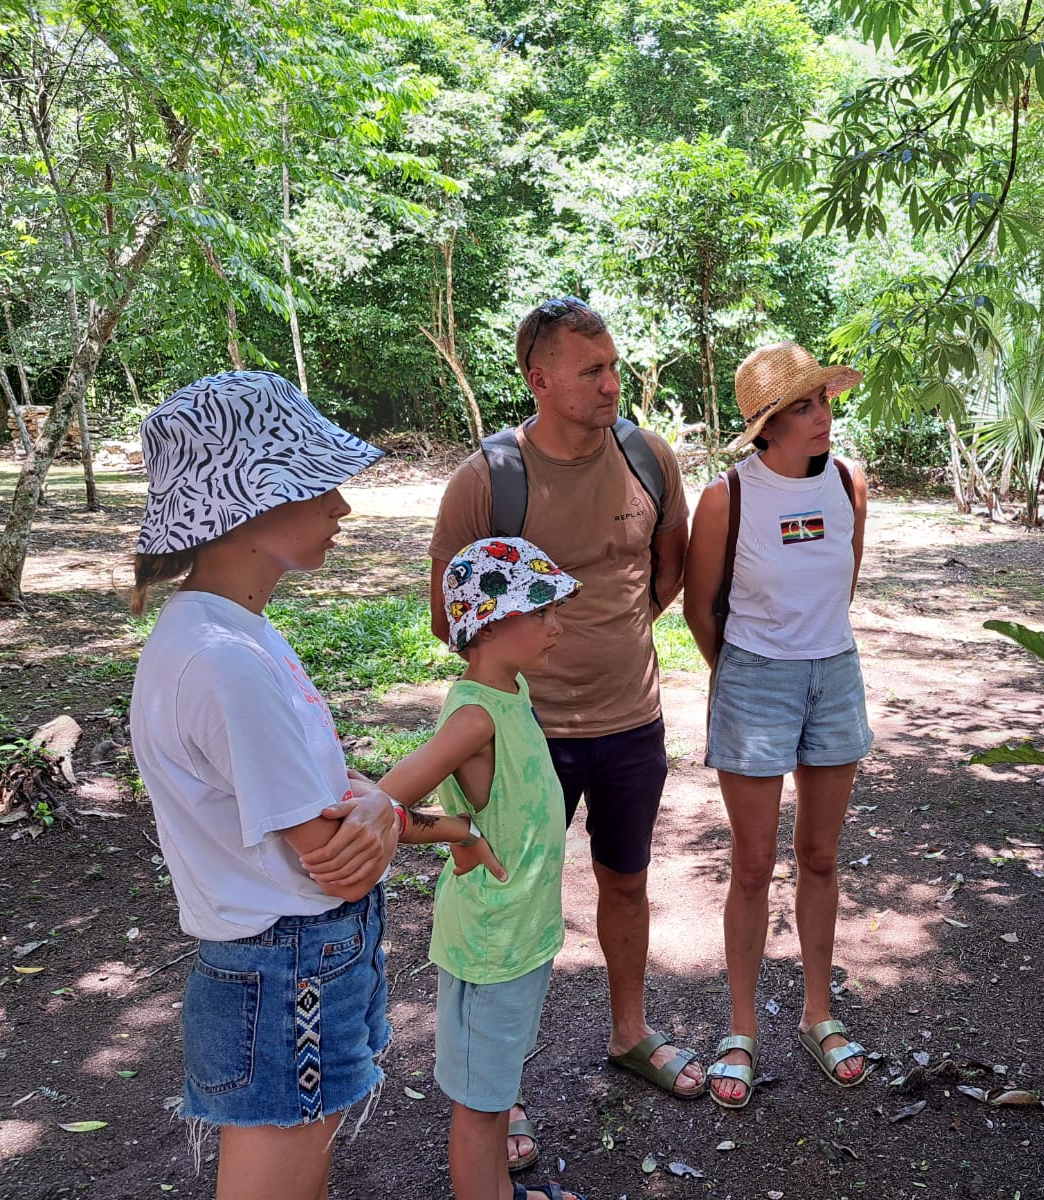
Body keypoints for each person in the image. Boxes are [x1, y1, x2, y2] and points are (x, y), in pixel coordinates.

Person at [128, 371, 507, 1200]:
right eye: (320, 486)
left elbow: (335, 787)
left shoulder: (233, 632)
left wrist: (381, 808)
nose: (342, 508)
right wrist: (373, 821)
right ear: (251, 505)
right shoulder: (226, 661)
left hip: (294, 959)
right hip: (287, 964)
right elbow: (333, 857)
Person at [428, 297, 704, 1136]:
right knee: (507, 901)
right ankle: (495, 1095)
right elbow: (450, 616)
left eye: (615, 365)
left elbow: (668, 569)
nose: (612, 382)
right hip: (523, 735)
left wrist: (607, 645)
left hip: (631, 721)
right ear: (538, 379)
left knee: (626, 879)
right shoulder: (487, 480)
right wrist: (538, 667)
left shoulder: (649, 457)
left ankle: (630, 1034)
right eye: (593, 371)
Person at [681, 340, 874, 1109]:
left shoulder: (851, 484)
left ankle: (818, 1014)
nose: (822, 416)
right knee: (754, 862)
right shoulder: (729, 497)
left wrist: (813, 648)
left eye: (824, 400)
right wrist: (745, 671)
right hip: (754, 678)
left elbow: (843, 583)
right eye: (803, 407)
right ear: (766, 426)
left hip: (835, 672)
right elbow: (701, 609)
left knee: (821, 855)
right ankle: (740, 1027)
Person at [379, 536, 585, 1200]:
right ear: (492, 624)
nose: (558, 625)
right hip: (490, 942)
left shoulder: (510, 687)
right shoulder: (473, 716)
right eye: (542, 612)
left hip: (519, 935)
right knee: (478, 1107)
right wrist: (454, 833)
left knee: (496, 1096)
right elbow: (379, 805)